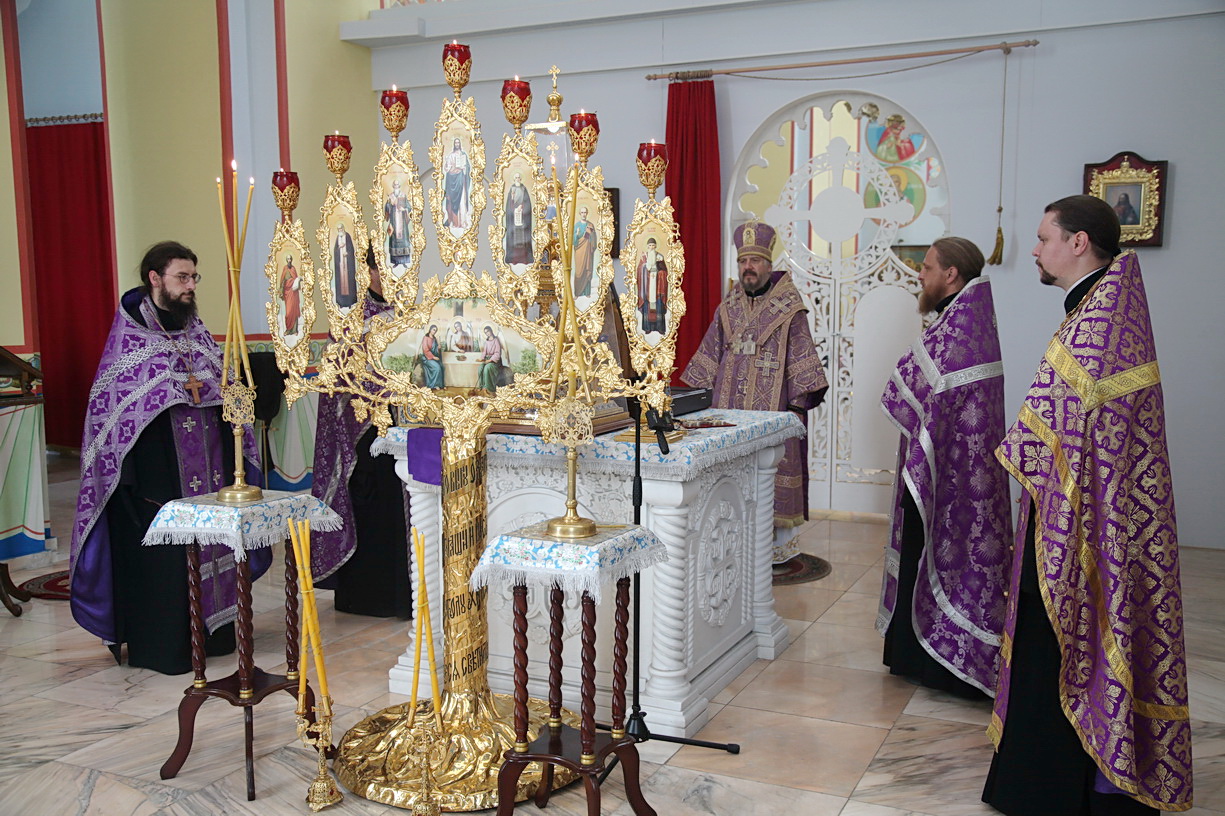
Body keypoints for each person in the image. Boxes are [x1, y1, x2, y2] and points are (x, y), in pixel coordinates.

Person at [982, 195, 1192, 815]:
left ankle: (1056, 790)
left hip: (1086, 521)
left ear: (1078, 243)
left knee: (1067, 637)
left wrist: (1027, 445)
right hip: (1072, 509)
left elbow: (1064, 420)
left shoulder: (1100, 319)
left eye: (1044, 237)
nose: (1035, 250)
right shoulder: (1099, 306)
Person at [70, 241, 265, 675]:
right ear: (155, 278)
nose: (190, 285)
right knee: (166, 562)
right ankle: (166, 647)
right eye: (182, 277)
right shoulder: (130, 338)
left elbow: (219, 385)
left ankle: (215, 636)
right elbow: (110, 409)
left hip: (209, 467)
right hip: (155, 477)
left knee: (213, 547)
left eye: (194, 277)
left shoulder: (195, 330)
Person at [877, 237, 1012, 700]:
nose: (921, 274)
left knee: (939, 551)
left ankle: (940, 664)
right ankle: (913, 654)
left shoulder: (959, 329)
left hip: (950, 474)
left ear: (951, 274)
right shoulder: (967, 321)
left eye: (928, 266)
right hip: (951, 465)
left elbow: (909, 381)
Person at [682, 220, 829, 564]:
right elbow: (708, 357)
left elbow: (802, 356)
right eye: (743, 261)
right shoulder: (728, 307)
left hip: (772, 414)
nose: (748, 267)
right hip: (727, 414)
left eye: (755, 261)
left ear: (768, 264)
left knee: (770, 477)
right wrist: (696, 401)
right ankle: (731, 547)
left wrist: (796, 407)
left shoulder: (789, 308)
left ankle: (775, 552)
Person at [313, 244, 412, 618]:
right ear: (368, 273)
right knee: (376, 507)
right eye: (383, 268)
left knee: (406, 509)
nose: (392, 276)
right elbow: (338, 377)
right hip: (364, 432)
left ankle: (406, 594)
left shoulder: (411, 313)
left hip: (407, 425)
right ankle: (370, 597)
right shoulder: (350, 318)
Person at [636, 237, 668, 335]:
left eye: (653, 245)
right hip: (647, 287)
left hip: (658, 287)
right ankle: (647, 327)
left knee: (658, 305)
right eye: (650, 245)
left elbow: (665, 271)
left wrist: (660, 273)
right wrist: (645, 268)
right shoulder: (644, 257)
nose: (651, 247)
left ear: (656, 246)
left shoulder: (660, 257)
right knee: (647, 306)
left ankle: (659, 327)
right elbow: (639, 271)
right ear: (647, 246)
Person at [503, 172, 533, 266]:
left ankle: (524, 259)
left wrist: (522, 206)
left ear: (520, 179)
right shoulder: (512, 189)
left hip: (523, 218)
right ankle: (514, 259)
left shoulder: (523, 189)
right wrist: (512, 201)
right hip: (514, 219)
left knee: (523, 239)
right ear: (514, 179)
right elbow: (509, 204)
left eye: (519, 177)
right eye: (516, 177)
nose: (517, 179)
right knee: (514, 239)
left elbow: (527, 202)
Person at [443, 137, 471, 230]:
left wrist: (464, 168)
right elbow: (447, 169)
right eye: (456, 143)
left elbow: (467, 168)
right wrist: (450, 166)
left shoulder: (463, 155)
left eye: (458, 143)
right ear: (454, 144)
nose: (457, 144)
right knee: (452, 201)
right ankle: (454, 221)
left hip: (460, 179)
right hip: (452, 180)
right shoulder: (451, 156)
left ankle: (462, 222)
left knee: (461, 200)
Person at [384, 178, 412, 268]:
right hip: (394, 222)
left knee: (403, 241)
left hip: (402, 223)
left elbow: (409, 207)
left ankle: (404, 261)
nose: (396, 187)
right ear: (393, 186)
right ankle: (395, 262)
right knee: (394, 241)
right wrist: (389, 204)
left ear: (399, 186)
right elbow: (387, 209)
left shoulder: (403, 195)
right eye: (395, 185)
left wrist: (404, 209)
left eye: (397, 185)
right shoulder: (391, 196)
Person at [571, 206, 596, 298]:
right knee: (578, 271)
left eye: (585, 212)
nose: (583, 214)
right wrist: (576, 234)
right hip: (579, 251)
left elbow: (594, 239)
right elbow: (573, 241)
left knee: (587, 270)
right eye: (582, 212)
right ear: (579, 214)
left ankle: (587, 293)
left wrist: (591, 235)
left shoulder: (590, 225)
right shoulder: (577, 226)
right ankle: (577, 293)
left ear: (587, 213)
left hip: (588, 252)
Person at [333, 223, 357, 308]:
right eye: (338, 229)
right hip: (340, 264)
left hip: (347, 263)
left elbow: (351, 248)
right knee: (341, 283)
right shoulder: (338, 237)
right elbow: (335, 250)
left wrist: (348, 253)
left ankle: (349, 301)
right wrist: (339, 248)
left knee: (348, 282)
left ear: (343, 229)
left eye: (341, 229)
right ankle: (341, 302)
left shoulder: (347, 236)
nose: (340, 231)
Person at [476, 325, 504, 393]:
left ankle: (488, 387)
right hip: (487, 359)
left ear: (491, 330)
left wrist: (490, 360)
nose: (487, 333)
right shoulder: (487, 341)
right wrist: (482, 358)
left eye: (488, 331)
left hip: (495, 361)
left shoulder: (496, 340)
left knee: (487, 368)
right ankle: (481, 386)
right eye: (485, 332)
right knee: (480, 368)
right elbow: (484, 351)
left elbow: (497, 353)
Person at [280, 253, 300, 336]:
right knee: (288, 313)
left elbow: (296, 279)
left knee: (293, 311)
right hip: (287, 293)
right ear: (286, 260)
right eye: (288, 259)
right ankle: (288, 330)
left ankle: (295, 330)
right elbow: (282, 281)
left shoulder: (293, 268)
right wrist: (281, 291)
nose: (289, 260)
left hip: (293, 292)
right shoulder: (285, 268)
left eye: (290, 259)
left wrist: (296, 281)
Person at [420, 324, 445, 389]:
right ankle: (434, 385)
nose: (434, 331)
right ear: (430, 329)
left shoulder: (434, 339)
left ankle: (441, 385)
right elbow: (425, 350)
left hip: (433, 357)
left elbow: (435, 351)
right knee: (437, 368)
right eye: (433, 330)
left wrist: (438, 348)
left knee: (442, 366)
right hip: (427, 358)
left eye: (436, 330)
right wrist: (433, 357)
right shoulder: (425, 338)